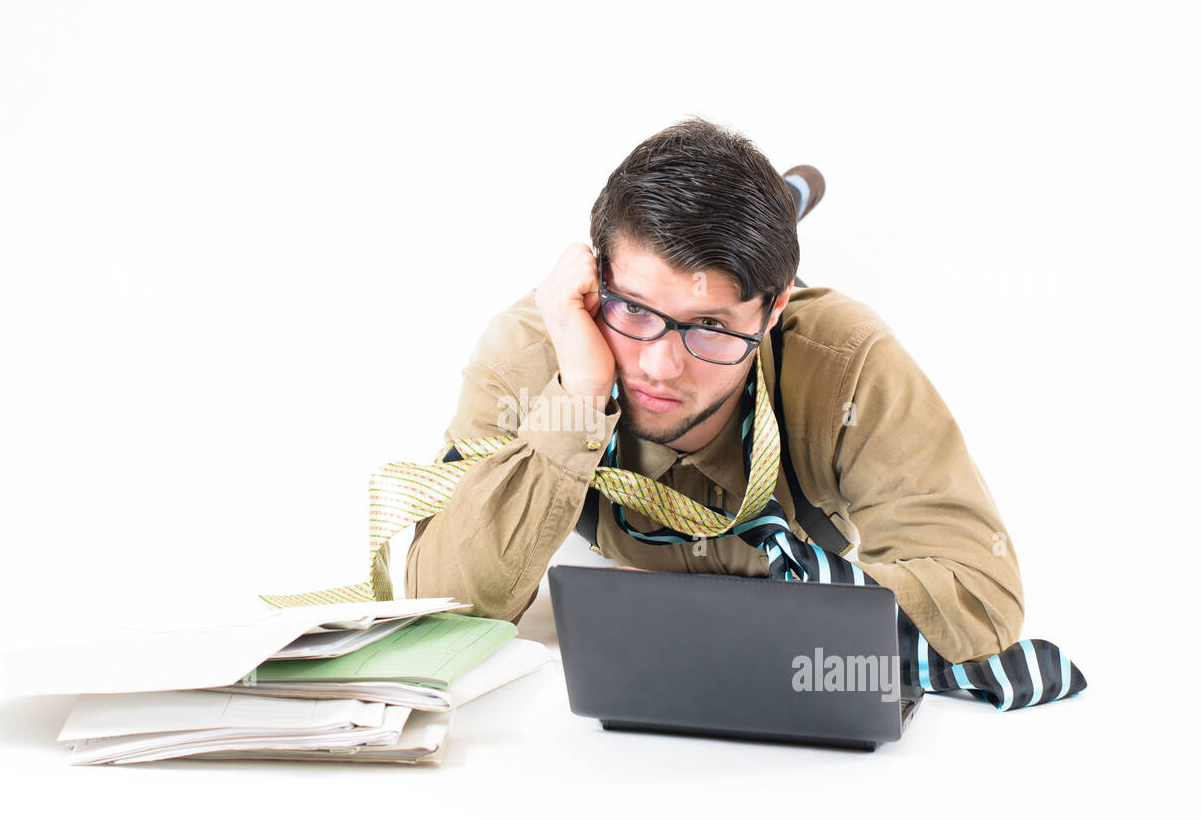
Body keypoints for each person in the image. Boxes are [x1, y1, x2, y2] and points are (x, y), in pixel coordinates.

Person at [402, 117, 1023, 667]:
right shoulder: (531, 352)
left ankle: (780, 216)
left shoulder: (847, 364)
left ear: (775, 308)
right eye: (635, 310)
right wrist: (577, 396)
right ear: (596, 280)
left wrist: (764, 627)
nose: (660, 365)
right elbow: (439, 610)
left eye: (710, 325)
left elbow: (980, 592)